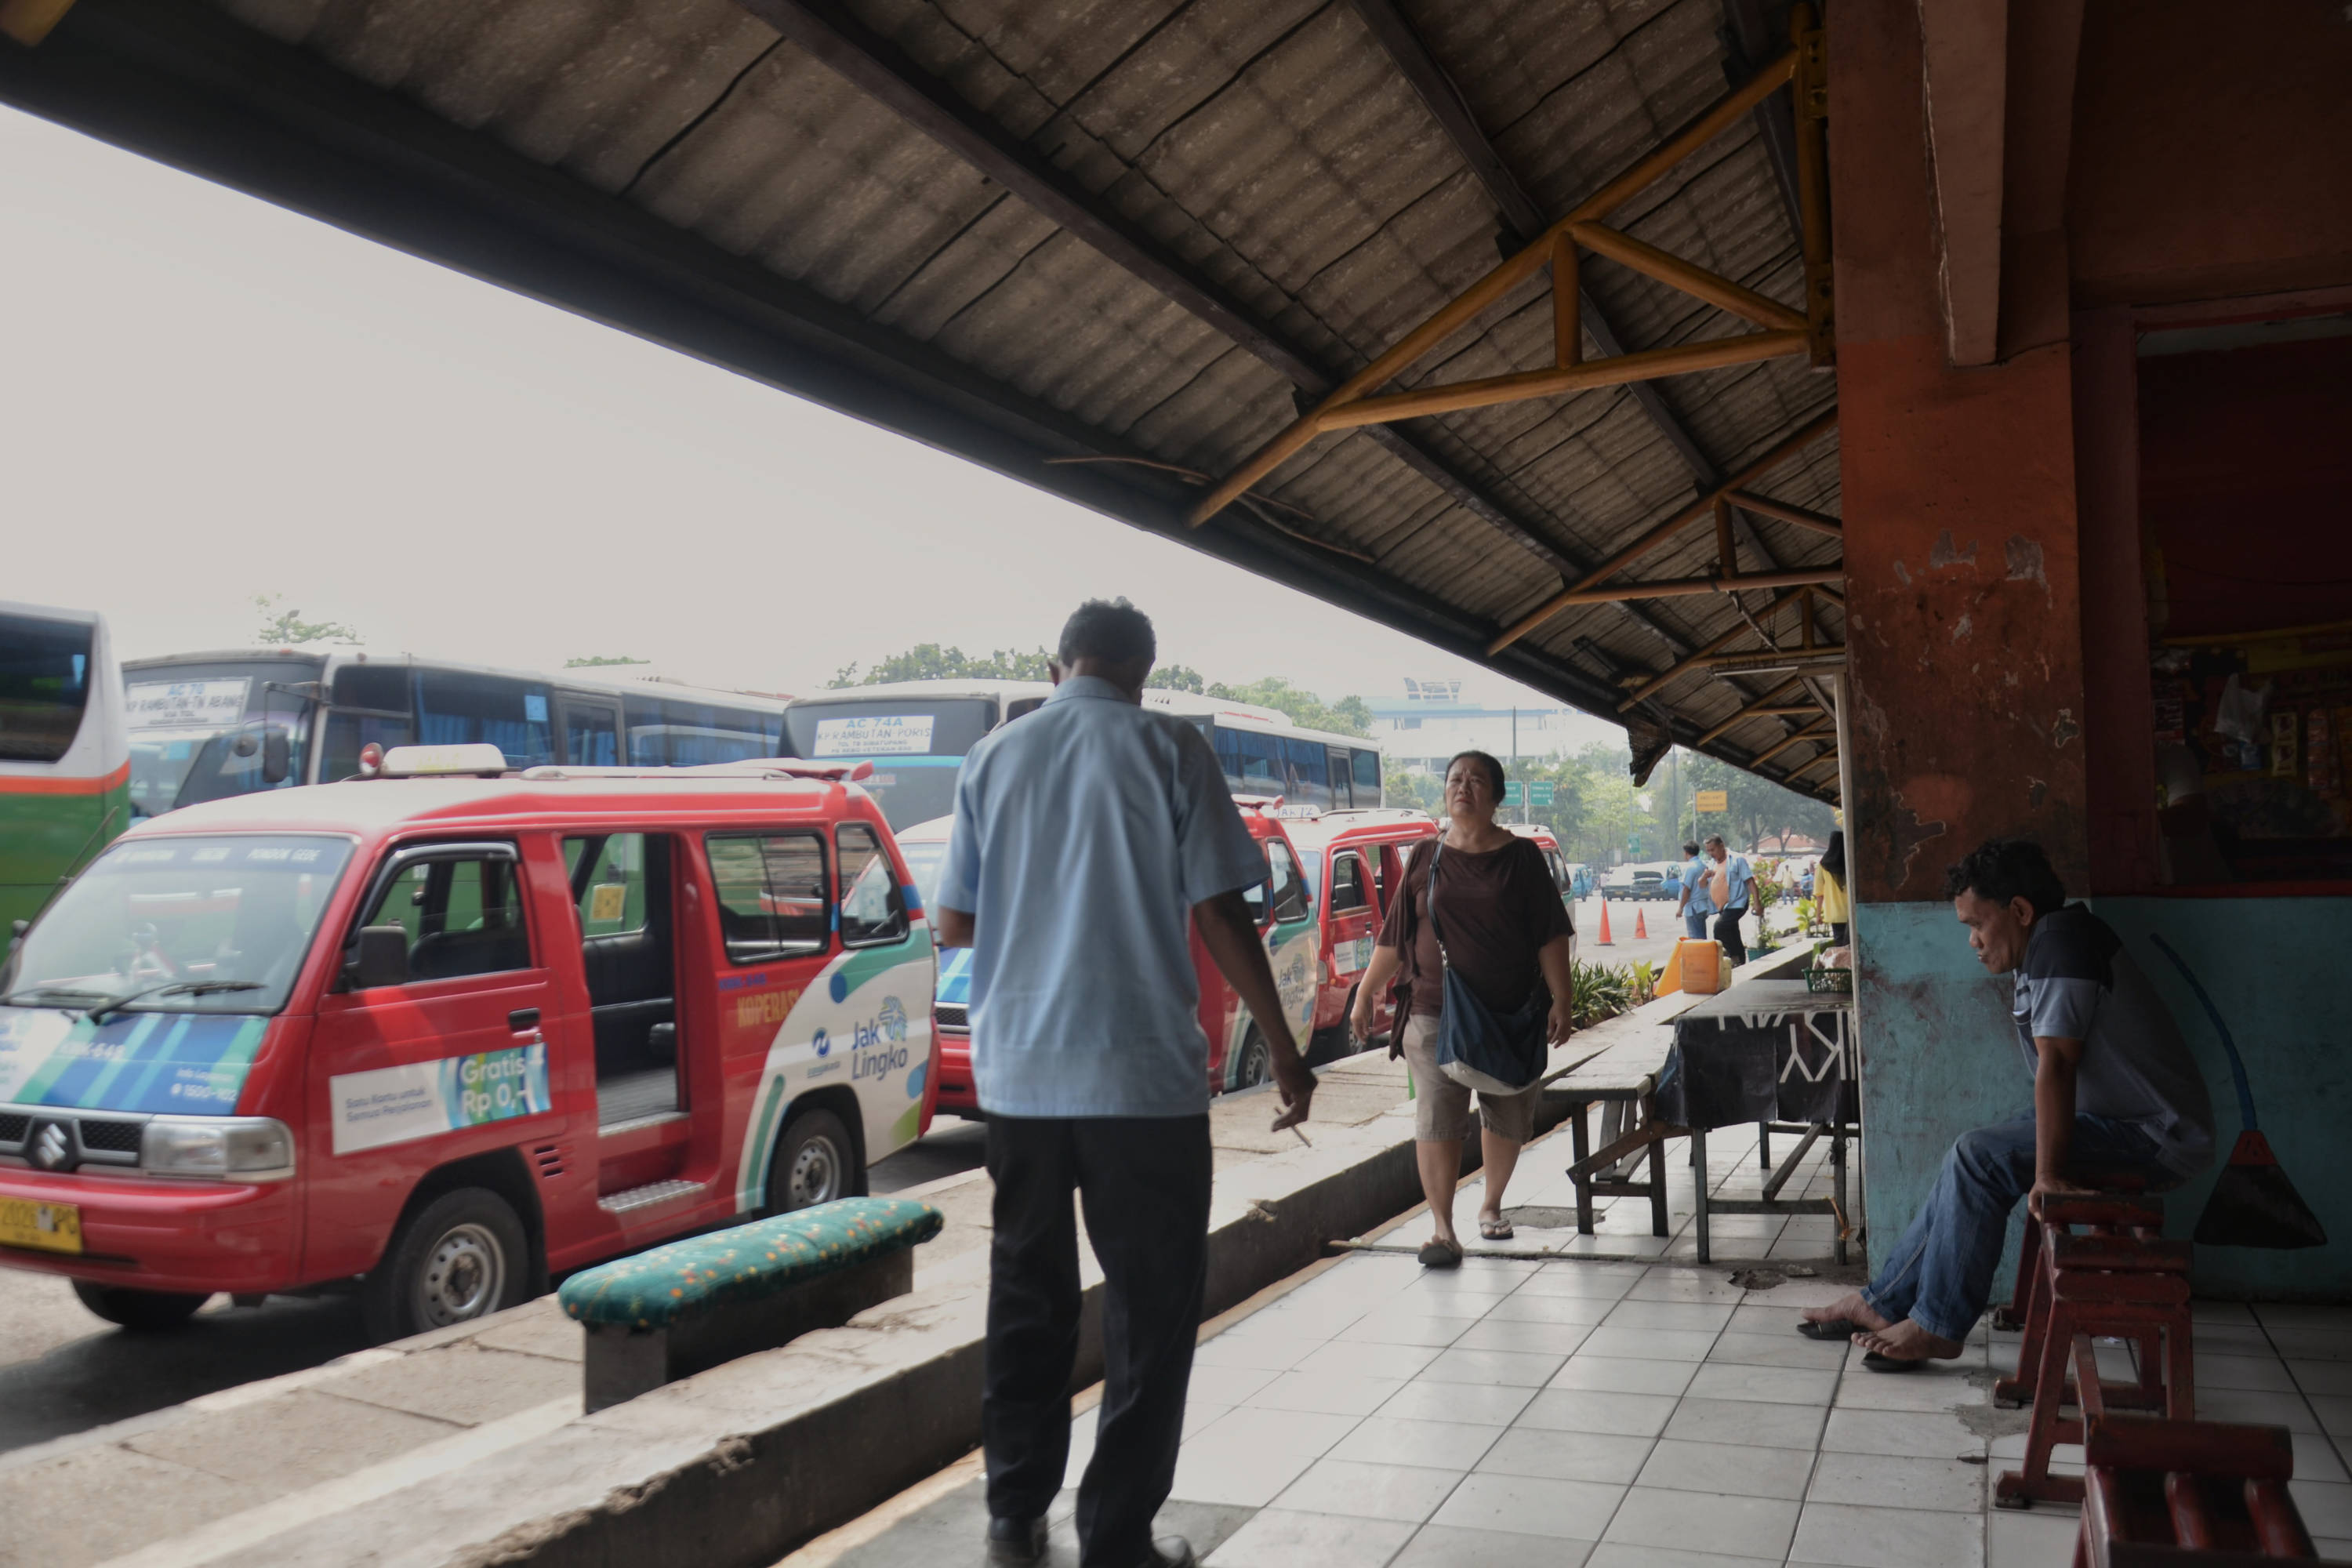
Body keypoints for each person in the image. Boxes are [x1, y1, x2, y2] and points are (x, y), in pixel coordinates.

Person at [936, 599, 1316, 1568]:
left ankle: (1013, 1510)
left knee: (1028, 1292)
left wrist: (1043, 905)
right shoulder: (1172, 749)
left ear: (1057, 662)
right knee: (1148, 1308)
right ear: (1143, 671)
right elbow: (1224, 912)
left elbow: (954, 924)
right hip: (1141, 1083)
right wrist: (1284, 1046)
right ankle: (1115, 1534)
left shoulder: (994, 758)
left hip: (1019, 1079)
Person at [1800, 838, 2213, 1367]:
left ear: (2019, 910)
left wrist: (2049, 1174)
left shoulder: (2061, 943)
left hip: (2157, 1134)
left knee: (1979, 1156)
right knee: (1970, 1155)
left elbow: (2058, 1064)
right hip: (2113, 1119)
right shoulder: (2047, 942)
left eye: (1977, 924)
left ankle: (1938, 1326)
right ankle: (1882, 1302)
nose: (1973, 941)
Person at [1352, 751, 1576, 1268]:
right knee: (1436, 1115)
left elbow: (1550, 934)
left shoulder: (1520, 859)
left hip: (1510, 1013)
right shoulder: (1426, 857)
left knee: (1507, 1111)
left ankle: (1491, 1204)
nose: (1463, 788)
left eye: (1476, 780)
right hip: (1432, 1008)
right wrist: (1365, 994)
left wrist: (1560, 998)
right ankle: (1442, 1230)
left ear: (1496, 796)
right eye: (1455, 779)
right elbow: (1395, 936)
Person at [1702, 834, 1753, 965]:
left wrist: (1757, 904)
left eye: (1713, 850)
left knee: (1719, 928)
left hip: (1737, 903)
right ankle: (1741, 961)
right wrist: (1704, 877)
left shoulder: (1736, 860)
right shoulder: (1712, 863)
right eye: (1708, 850)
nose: (1711, 853)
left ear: (1721, 846)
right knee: (1733, 932)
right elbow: (1702, 884)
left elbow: (1750, 881)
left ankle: (1733, 955)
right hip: (1723, 906)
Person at [1816, 829, 1851, 946]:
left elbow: (1819, 893)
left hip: (1835, 914)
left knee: (1841, 946)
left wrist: (1818, 915)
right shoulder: (1852, 862)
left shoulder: (1823, 865)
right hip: (1853, 913)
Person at [1675, 838, 1712, 941]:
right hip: (1703, 905)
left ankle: (1700, 957)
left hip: (1693, 908)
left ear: (1686, 853)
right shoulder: (1704, 866)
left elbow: (1686, 890)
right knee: (1701, 935)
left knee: (1695, 938)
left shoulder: (1689, 868)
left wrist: (1680, 908)